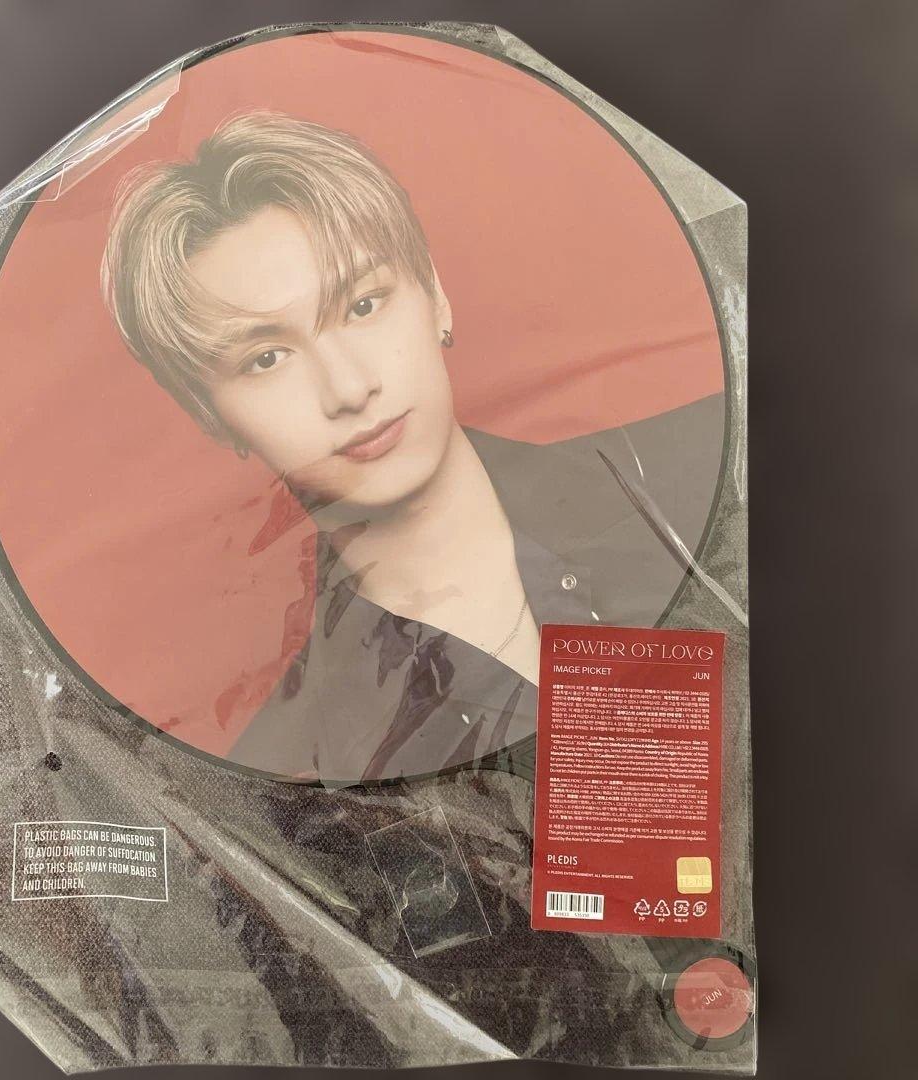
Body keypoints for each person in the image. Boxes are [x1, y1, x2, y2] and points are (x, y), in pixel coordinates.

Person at [102, 110, 723, 784]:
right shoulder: (287, 781)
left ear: (436, 295)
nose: (348, 388)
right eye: (267, 358)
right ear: (212, 418)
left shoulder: (708, 475)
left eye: (363, 305)